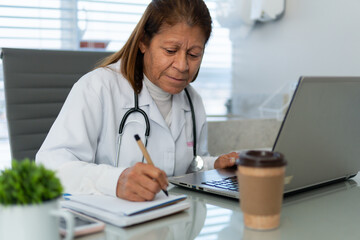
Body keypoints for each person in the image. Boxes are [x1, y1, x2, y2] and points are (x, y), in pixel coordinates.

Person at [36, 0, 237, 202]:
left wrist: (214, 167)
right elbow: (49, 168)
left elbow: (191, 164)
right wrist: (115, 181)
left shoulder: (192, 101)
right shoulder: (98, 87)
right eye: (170, 51)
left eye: (194, 54)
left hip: (169, 222)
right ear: (143, 42)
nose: (182, 65)